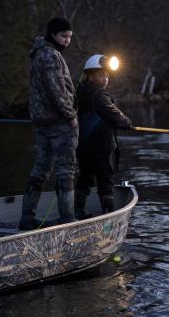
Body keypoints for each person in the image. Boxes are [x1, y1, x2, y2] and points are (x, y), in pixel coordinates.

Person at [18, 17, 79, 230]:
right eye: (64, 36)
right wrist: (70, 115)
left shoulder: (37, 54)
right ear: (53, 34)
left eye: (70, 37)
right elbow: (56, 91)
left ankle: (27, 218)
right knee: (65, 169)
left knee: (41, 168)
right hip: (58, 121)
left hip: (41, 120)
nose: (67, 41)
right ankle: (67, 218)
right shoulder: (51, 56)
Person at [74, 54, 132, 218]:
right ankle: (109, 214)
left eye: (107, 75)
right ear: (90, 75)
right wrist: (127, 123)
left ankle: (78, 210)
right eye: (101, 75)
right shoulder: (99, 95)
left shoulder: (80, 91)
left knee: (85, 177)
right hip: (100, 147)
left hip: (83, 146)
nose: (105, 79)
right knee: (105, 179)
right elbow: (115, 115)